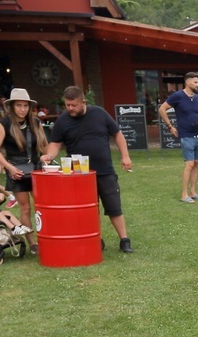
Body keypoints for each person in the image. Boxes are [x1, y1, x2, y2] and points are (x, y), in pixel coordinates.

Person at [41, 86, 136, 253]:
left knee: (114, 207)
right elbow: (55, 144)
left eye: (74, 105)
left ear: (83, 102)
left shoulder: (99, 113)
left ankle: (124, 240)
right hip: (79, 174)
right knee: (88, 210)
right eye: (67, 105)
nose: (70, 108)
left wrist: (125, 156)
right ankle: (96, 239)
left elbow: (118, 134)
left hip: (104, 170)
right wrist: (49, 155)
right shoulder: (62, 121)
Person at [0, 88, 43, 230]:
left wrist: (47, 155)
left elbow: (44, 146)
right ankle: (31, 241)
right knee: (25, 208)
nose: (23, 109)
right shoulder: (3, 124)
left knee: (42, 206)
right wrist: (9, 167)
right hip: (16, 169)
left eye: (26, 105)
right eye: (19, 105)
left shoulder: (35, 122)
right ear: (12, 106)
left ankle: (46, 238)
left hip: (36, 167)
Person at [159, 71, 198, 203]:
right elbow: (162, 109)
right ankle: (184, 194)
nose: (197, 84)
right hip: (186, 134)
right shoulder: (178, 96)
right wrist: (170, 126)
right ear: (187, 81)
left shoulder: (197, 98)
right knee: (189, 164)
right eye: (195, 82)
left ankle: (193, 192)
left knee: (196, 163)